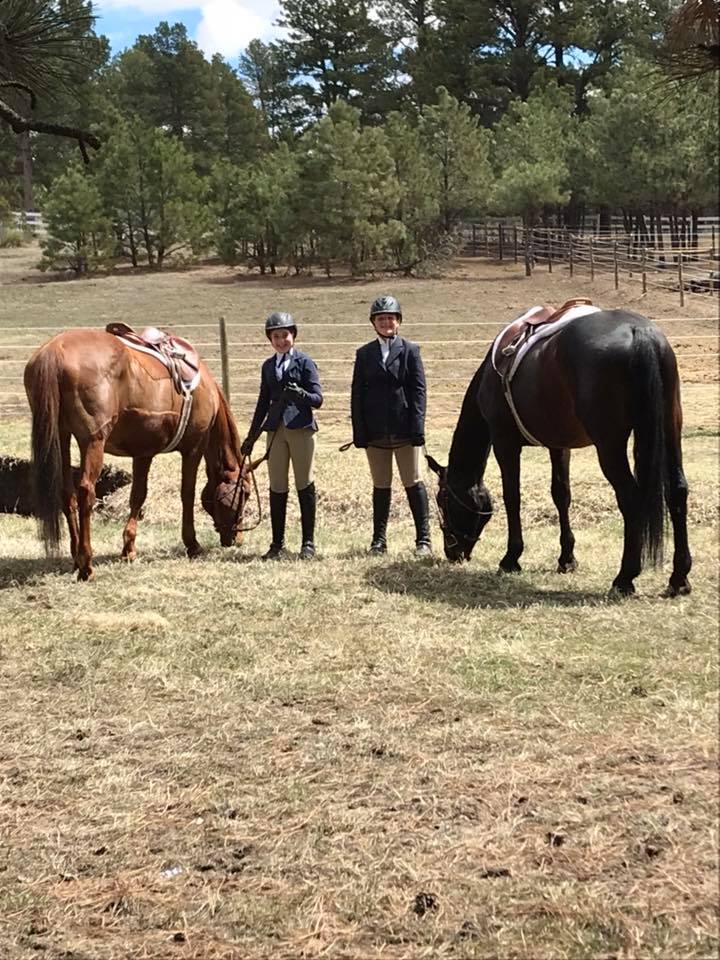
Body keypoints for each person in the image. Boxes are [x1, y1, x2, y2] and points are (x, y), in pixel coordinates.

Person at [351, 295, 431, 557]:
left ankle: (423, 540)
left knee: (413, 483)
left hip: (405, 430)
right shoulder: (364, 354)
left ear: (398, 322)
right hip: (375, 432)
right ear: (373, 323)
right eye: (381, 318)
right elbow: (357, 395)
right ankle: (379, 540)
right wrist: (359, 431)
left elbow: (419, 391)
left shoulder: (410, 350)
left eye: (390, 318)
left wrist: (418, 426)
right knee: (381, 485)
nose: (386, 322)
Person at [241, 311, 323, 560]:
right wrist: (251, 437)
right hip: (275, 431)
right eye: (276, 336)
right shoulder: (268, 366)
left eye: (285, 335)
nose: (281, 340)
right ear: (270, 339)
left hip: (301, 429)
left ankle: (308, 543)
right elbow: (262, 403)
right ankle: (277, 544)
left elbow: (317, 399)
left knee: (304, 483)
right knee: (277, 486)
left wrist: (301, 394)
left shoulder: (305, 362)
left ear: (293, 336)